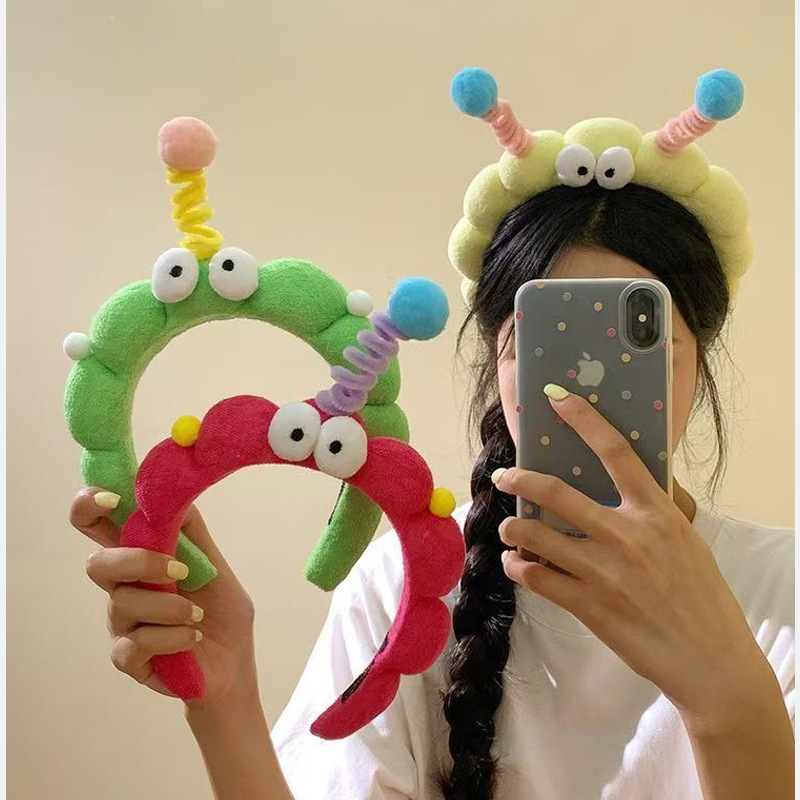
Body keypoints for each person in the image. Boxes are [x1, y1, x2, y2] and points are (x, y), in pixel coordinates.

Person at [69, 69, 794, 799]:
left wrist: (726, 697)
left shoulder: (785, 588)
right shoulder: (411, 583)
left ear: (699, 364)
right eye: (544, 345)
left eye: (635, 345)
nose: (583, 392)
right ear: (495, 365)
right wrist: (223, 702)